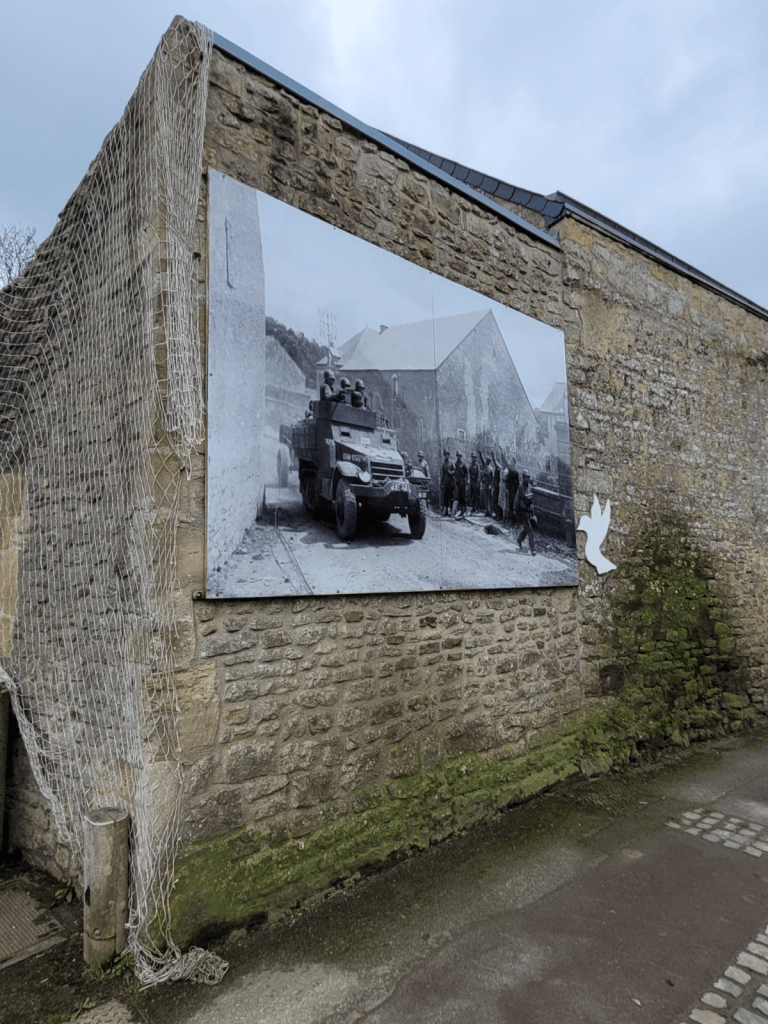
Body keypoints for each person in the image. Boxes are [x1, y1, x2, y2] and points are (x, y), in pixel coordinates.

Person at [515, 472, 536, 555]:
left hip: (529, 511)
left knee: (526, 529)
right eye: (526, 477)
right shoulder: (520, 487)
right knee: (530, 530)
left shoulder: (529, 487)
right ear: (523, 478)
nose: (527, 479)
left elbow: (531, 500)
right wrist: (515, 509)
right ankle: (533, 549)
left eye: (528, 477)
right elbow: (517, 499)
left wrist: (533, 511)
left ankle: (519, 539)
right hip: (523, 511)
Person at [440, 449, 454, 516]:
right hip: (445, 482)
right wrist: (442, 483)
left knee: (451, 497)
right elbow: (442, 474)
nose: (446, 456)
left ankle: (451, 511)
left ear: (449, 455)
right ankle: (446, 511)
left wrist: (451, 472)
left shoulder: (451, 462)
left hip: (450, 482)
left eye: (447, 454)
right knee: (445, 497)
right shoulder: (443, 463)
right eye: (445, 455)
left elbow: (455, 471)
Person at [454, 452, 468, 519]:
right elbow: (455, 473)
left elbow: (466, 473)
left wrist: (467, 481)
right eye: (458, 456)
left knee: (463, 497)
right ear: (457, 456)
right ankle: (460, 511)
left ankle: (464, 511)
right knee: (459, 497)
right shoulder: (455, 464)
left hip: (463, 482)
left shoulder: (463, 464)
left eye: (460, 456)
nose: (459, 457)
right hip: (458, 482)